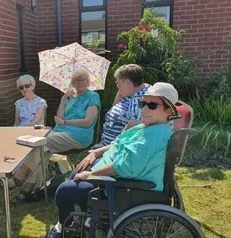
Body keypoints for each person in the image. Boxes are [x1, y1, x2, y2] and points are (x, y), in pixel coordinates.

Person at [47, 82, 179, 238]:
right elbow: (117, 144)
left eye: (151, 105)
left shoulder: (154, 135)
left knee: (64, 190)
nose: (143, 109)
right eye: (142, 103)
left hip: (126, 188)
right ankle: (86, 219)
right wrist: (96, 152)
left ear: (168, 110)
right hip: (113, 176)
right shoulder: (145, 127)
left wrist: (91, 175)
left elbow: (124, 167)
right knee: (77, 171)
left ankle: (64, 225)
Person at [9, 68, 100, 202]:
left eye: (83, 80)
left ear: (88, 82)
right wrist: (64, 98)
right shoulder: (70, 97)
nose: (80, 82)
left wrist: (65, 122)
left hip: (79, 135)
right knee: (42, 153)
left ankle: (20, 176)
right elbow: (59, 116)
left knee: (40, 142)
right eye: (77, 80)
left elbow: (88, 122)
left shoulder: (93, 96)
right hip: (60, 131)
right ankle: (28, 189)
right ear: (73, 82)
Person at [75, 64, 151, 173]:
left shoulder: (138, 102)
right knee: (78, 168)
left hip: (113, 153)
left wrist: (100, 152)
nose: (117, 87)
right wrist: (120, 95)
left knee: (78, 172)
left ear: (128, 83)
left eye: (118, 83)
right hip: (106, 147)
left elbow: (135, 135)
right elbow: (112, 114)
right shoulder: (133, 94)